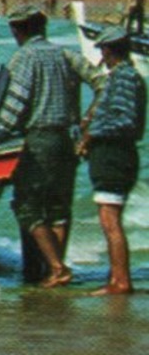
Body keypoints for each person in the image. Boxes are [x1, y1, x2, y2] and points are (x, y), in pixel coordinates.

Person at [0, 5, 87, 287]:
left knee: (27, 207)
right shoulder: (64, 54)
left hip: (39, 140)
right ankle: (50, 271)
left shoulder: (24, 58)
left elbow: (15, 104)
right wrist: (88, 123)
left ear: (18, 31)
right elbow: (102, 81)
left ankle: (55, 268)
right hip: (66, 139)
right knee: (58, 208)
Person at [77, 29, 145, 295]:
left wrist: (92, 133)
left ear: (108, 50)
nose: (101, 57)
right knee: (110, 219)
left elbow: (125, 120)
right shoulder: (125, 75)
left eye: (102, 51)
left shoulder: (125, 77)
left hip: (114, 154)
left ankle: (120, 281)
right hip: (115, 154)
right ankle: (117, 278)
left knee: (110, 220)